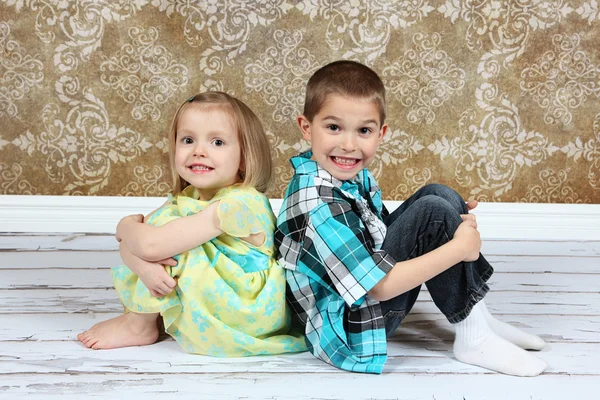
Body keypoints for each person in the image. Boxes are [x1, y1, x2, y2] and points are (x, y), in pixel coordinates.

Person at [275, 61, 547, 375]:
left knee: (439, 194)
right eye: (333, 127)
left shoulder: (343, 173)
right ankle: (474, 338)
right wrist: (457, 247)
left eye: (363, 130)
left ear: (381, 133)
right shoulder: (317, 202)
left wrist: (450, 215)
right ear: (306, 127)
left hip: (360, 295)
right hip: (350, 325)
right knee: (434, 215)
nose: (348, 144)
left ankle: (479, 318)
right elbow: (379, 288)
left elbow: (380, 236)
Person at [78, 92, 306, 357]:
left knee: (166, 232)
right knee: (164, 228)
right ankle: (144, 319)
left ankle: (139, 325)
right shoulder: (186, 199)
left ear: (244, 157)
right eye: (188, 140)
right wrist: (144, 266)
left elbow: (148, 244)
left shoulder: (240, 204)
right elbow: (138, 244)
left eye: (218, 142)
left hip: (250, 311)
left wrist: (125, 226)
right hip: (223, 298)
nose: (199, 150)